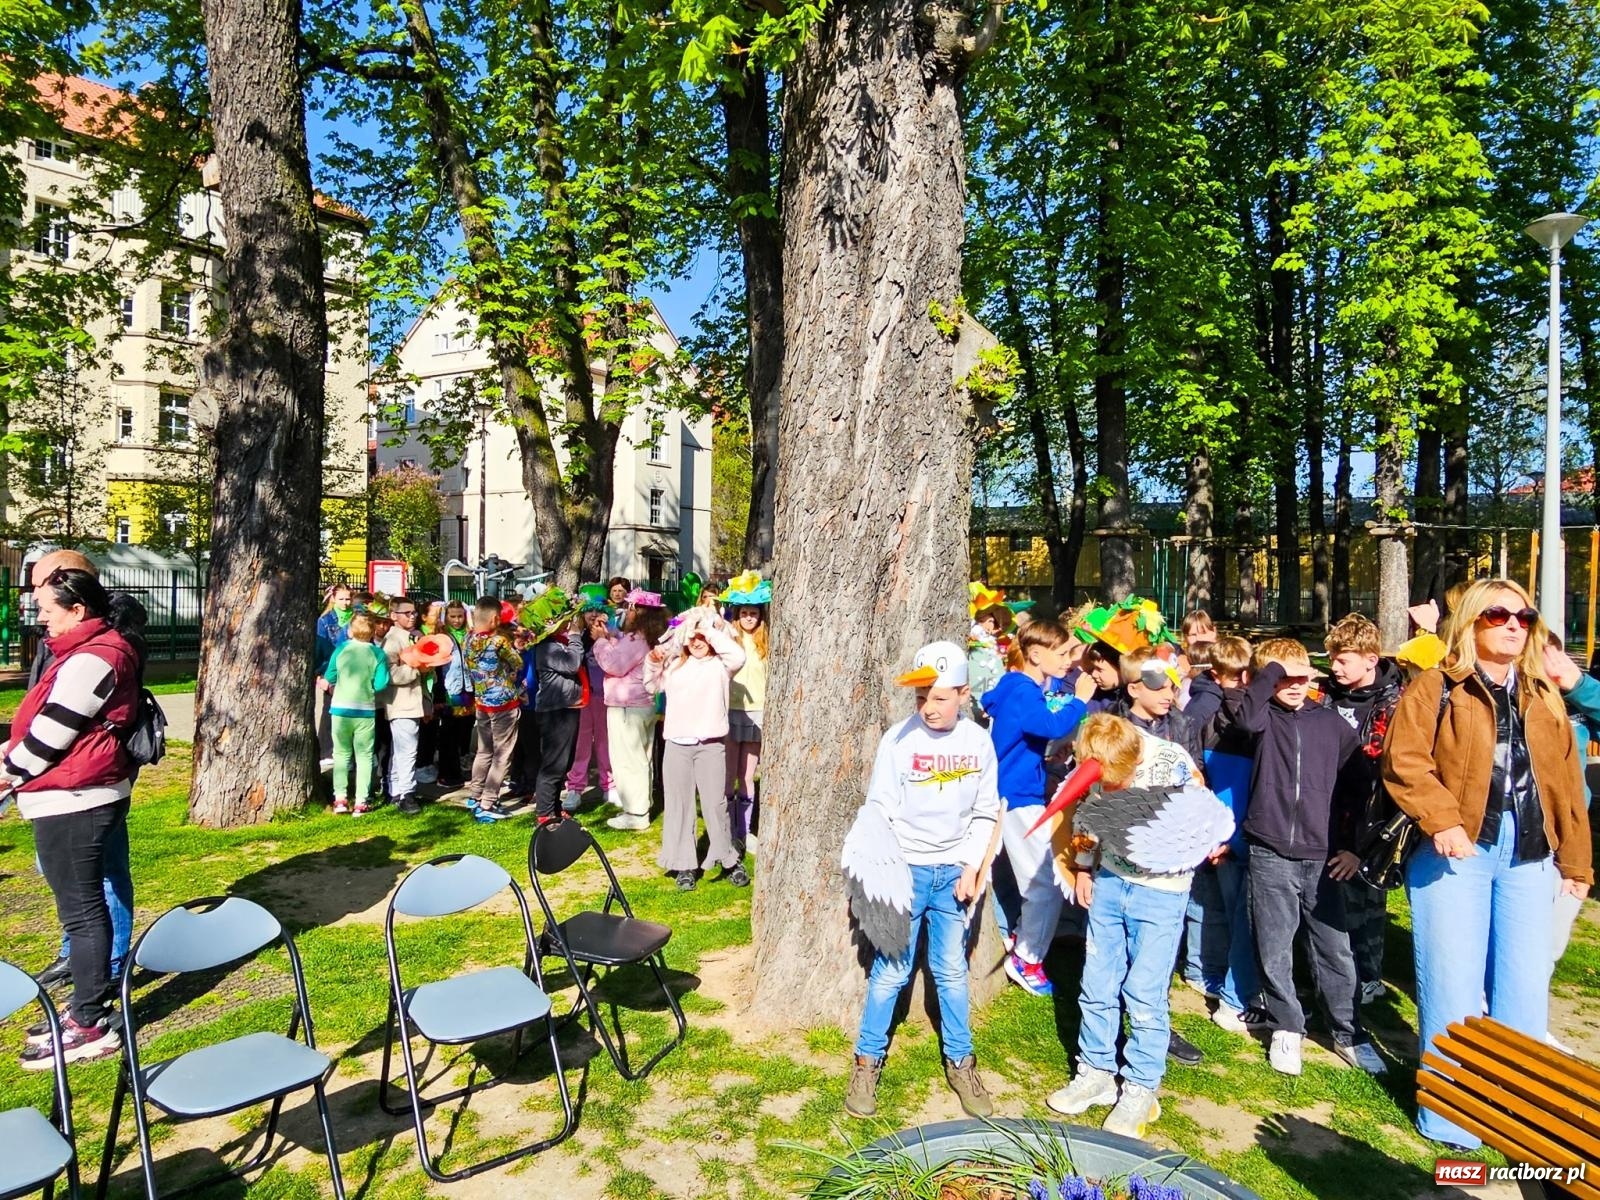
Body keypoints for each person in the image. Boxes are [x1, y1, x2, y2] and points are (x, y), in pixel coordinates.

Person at [1382, 580, 1591, 1148]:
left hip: (1530, 856)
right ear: (1472, 622)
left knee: (1524, 991)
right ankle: (1452, 1118)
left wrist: (1576, 862)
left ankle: (1514, 1111)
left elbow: (1567, 785)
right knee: (1451, 984)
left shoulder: (1543, 694)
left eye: (1525, 616)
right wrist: (1443, 820)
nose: (1514, 625)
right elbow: (1404, 761)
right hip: (1457, 853)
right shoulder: (1436, 686)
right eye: (1498, 615)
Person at [1047, 713, 1231, 1136]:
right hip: (1111, 882)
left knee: (1144, 992)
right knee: (1097, 981)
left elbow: (1204, 817)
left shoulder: (1172, 763)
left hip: (1161, 892)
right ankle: (1095, 1072)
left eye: (1119, 781)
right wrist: (1084, 867)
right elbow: (1088, 815)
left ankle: (1140, 1088)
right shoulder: (1094, 758)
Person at [844, 642, 999, 1121]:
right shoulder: (899, 740)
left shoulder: (979, 743)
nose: (928, 708)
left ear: (964, 694)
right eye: (920, 698)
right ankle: (867, 1061)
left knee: (950, 971)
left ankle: (961, 1062)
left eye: (939, 698)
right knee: (891, 971)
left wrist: (971, 866)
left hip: (953, 876)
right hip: (906, 873)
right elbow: (879, 808)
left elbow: (985, 811)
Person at [8, 568, 141, 1068]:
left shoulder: (94, 658)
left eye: (47, 609)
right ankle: (86, 1008)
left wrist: (8, 773)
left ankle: (88, 1021)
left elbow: (54, 734)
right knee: (85, 908)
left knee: (83, 913)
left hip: (75, 799)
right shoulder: (86, 652)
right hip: (76, 793)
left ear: (78, 610)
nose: (40, 617)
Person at [1234, 637, 1384, 1076]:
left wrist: (1353, 847)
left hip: (1324, 856)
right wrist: (1269, 675)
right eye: (1285, 678)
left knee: (1334, 949)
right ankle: (1287, 1025)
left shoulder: (1332, 725)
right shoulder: (1263, 719)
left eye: (1303, 676)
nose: (1296, 685)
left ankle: (1347, 1031)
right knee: (1274, 944)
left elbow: (1360, 790)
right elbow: (1246, 718)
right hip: (1270, 850)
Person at [980, 618, 1094, 996]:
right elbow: (1048, 724)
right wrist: (1080, 699)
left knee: (1029, 878)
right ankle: (1026, 958)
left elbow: (1024, 736)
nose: (1068, 660)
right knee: (1044, 882)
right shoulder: (1022, 690)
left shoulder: (1016, 687)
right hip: (1017, 796)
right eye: (1061, 653)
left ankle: (1021, 940)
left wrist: (1044, 755)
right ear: (1034, 654)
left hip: (1013, 791)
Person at [1320, 613, 1404, 1003]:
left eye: (1343, 660)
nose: (1335, 668)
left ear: (1371, 659)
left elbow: (1387, 776)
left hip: (1370, 821)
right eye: (1332, 659)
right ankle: (1330, 972)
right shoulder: (1325, 694)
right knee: (1330, 900)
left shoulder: (1394, 703)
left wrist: (1361, 844)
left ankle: (1368, 976)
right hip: (1325, 813)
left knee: (1365, 900)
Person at [1181, 634, 1262, 1033]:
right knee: (1227, 909)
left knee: (1215, 904)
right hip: (1226, 828)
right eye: (1236, 677)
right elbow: (1202, 770)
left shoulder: (1208, 705)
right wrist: (1216, 831)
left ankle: (1205, 970)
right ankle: (1215, 977)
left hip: (1221, 826)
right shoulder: (1214, 712)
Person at [645, 607, 746, 890]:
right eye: (692, 638)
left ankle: (728, 859)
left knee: (715, 805)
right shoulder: (675, 665)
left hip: (711, 746)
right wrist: (653, 661)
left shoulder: (721, 665)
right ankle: (684, 864)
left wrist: (707, 628)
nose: (697, 642)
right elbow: (651, 686)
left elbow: (738, 655)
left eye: (702, 638)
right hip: (677, 745)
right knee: (679, 805)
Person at [594, 589, 669, 830]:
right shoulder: (651, 637)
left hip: (628, 706)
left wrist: (600, 641)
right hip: (643, 704)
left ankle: (635, 813)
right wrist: (611, 637)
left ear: (637, 611)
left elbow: (614, 664)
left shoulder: (638, 639)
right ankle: (641, 805)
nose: (626, 612)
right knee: (641, 758)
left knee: (627, 760)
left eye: (630, 608)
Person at [721, 573, 772, 852]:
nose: (749, 618)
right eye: (744, 613)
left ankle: (745, 829)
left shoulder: (768, 643)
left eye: (753, 613)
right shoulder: (728, 640)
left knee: (747, 775)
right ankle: (728, 831)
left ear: (760, 615)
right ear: (737, 615)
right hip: (730, 710)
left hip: (757, 712)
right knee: (729, 774)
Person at [464, 597, 525, 822]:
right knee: (502, 755)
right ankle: (488, 802)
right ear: (495, 619)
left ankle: (475, 795)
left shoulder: (468, 639)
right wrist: (518, 649)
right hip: (504, 705)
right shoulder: (499, 641)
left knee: (484, 751)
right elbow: (517, 662)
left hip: (482, 702)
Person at [527, 590, 585, 822]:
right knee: (553, 764)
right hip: (556, 711)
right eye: (565, 621)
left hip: (566, 707)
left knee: (564, 763)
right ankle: (545, 813)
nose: (568, 624)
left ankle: (555, 806)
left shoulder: (556, 644)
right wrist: (575, 636)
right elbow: (572, 664)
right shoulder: (548, 648)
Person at [324, 612, 390, 815]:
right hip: (365, 710)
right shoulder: (378, 653)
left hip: (340, 709)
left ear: (350, 631)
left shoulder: (341, 649)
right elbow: (381, 684)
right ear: (372, 632)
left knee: (341, 754)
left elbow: (330, 675)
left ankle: (340, 799)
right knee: (364, 756)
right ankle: (361, 801)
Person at [379, 597, 432, 815]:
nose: (412, 616)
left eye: (414, 613)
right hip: (401, 701)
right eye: (407, 613)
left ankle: (396, 791)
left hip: (412, 700)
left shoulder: (412, 636)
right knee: (407, 749)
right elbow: (391, 674)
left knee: (401, 749)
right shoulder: (392, 640)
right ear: (394, 616)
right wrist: (416, 669)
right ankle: (407, 794)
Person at [565, 595, 616, 811]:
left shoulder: (613, 635)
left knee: (605, 742)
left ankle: (609, 785)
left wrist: (607, 637)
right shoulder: (578, 637)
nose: (593, 615)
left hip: (606, 697)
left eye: (598, 610)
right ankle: (575, 788)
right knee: (581, 744)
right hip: (583, 698)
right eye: (589, 610)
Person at [1111, 650, 1203, 765]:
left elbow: (1193, 769)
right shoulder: (1113, 730)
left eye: (1171, 688)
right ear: (1133, 690)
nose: (1169, 696)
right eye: (1159, 688)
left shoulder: (1181, 725)